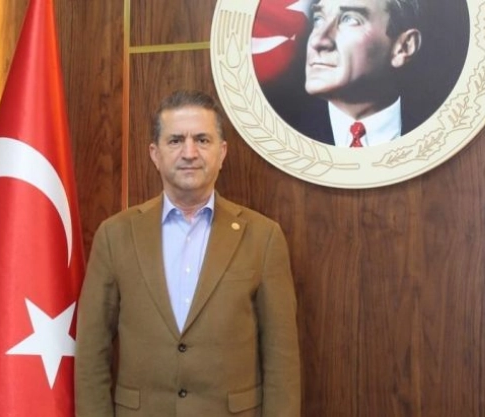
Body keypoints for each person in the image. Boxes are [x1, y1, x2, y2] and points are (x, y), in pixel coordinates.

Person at [75, 90, 301, 416]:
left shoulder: (263, 238)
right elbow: (91, 355)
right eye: (176, 140)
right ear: (155, 154)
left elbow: (282, 361)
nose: (190, 152)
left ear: (222, 153)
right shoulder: (115, 235)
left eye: (202, 140)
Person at [298, 0, 423, 147]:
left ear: (403, 47)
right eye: (318, 19)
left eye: (350, 19)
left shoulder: (431, 130)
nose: (317, 41)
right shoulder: (289, 131)